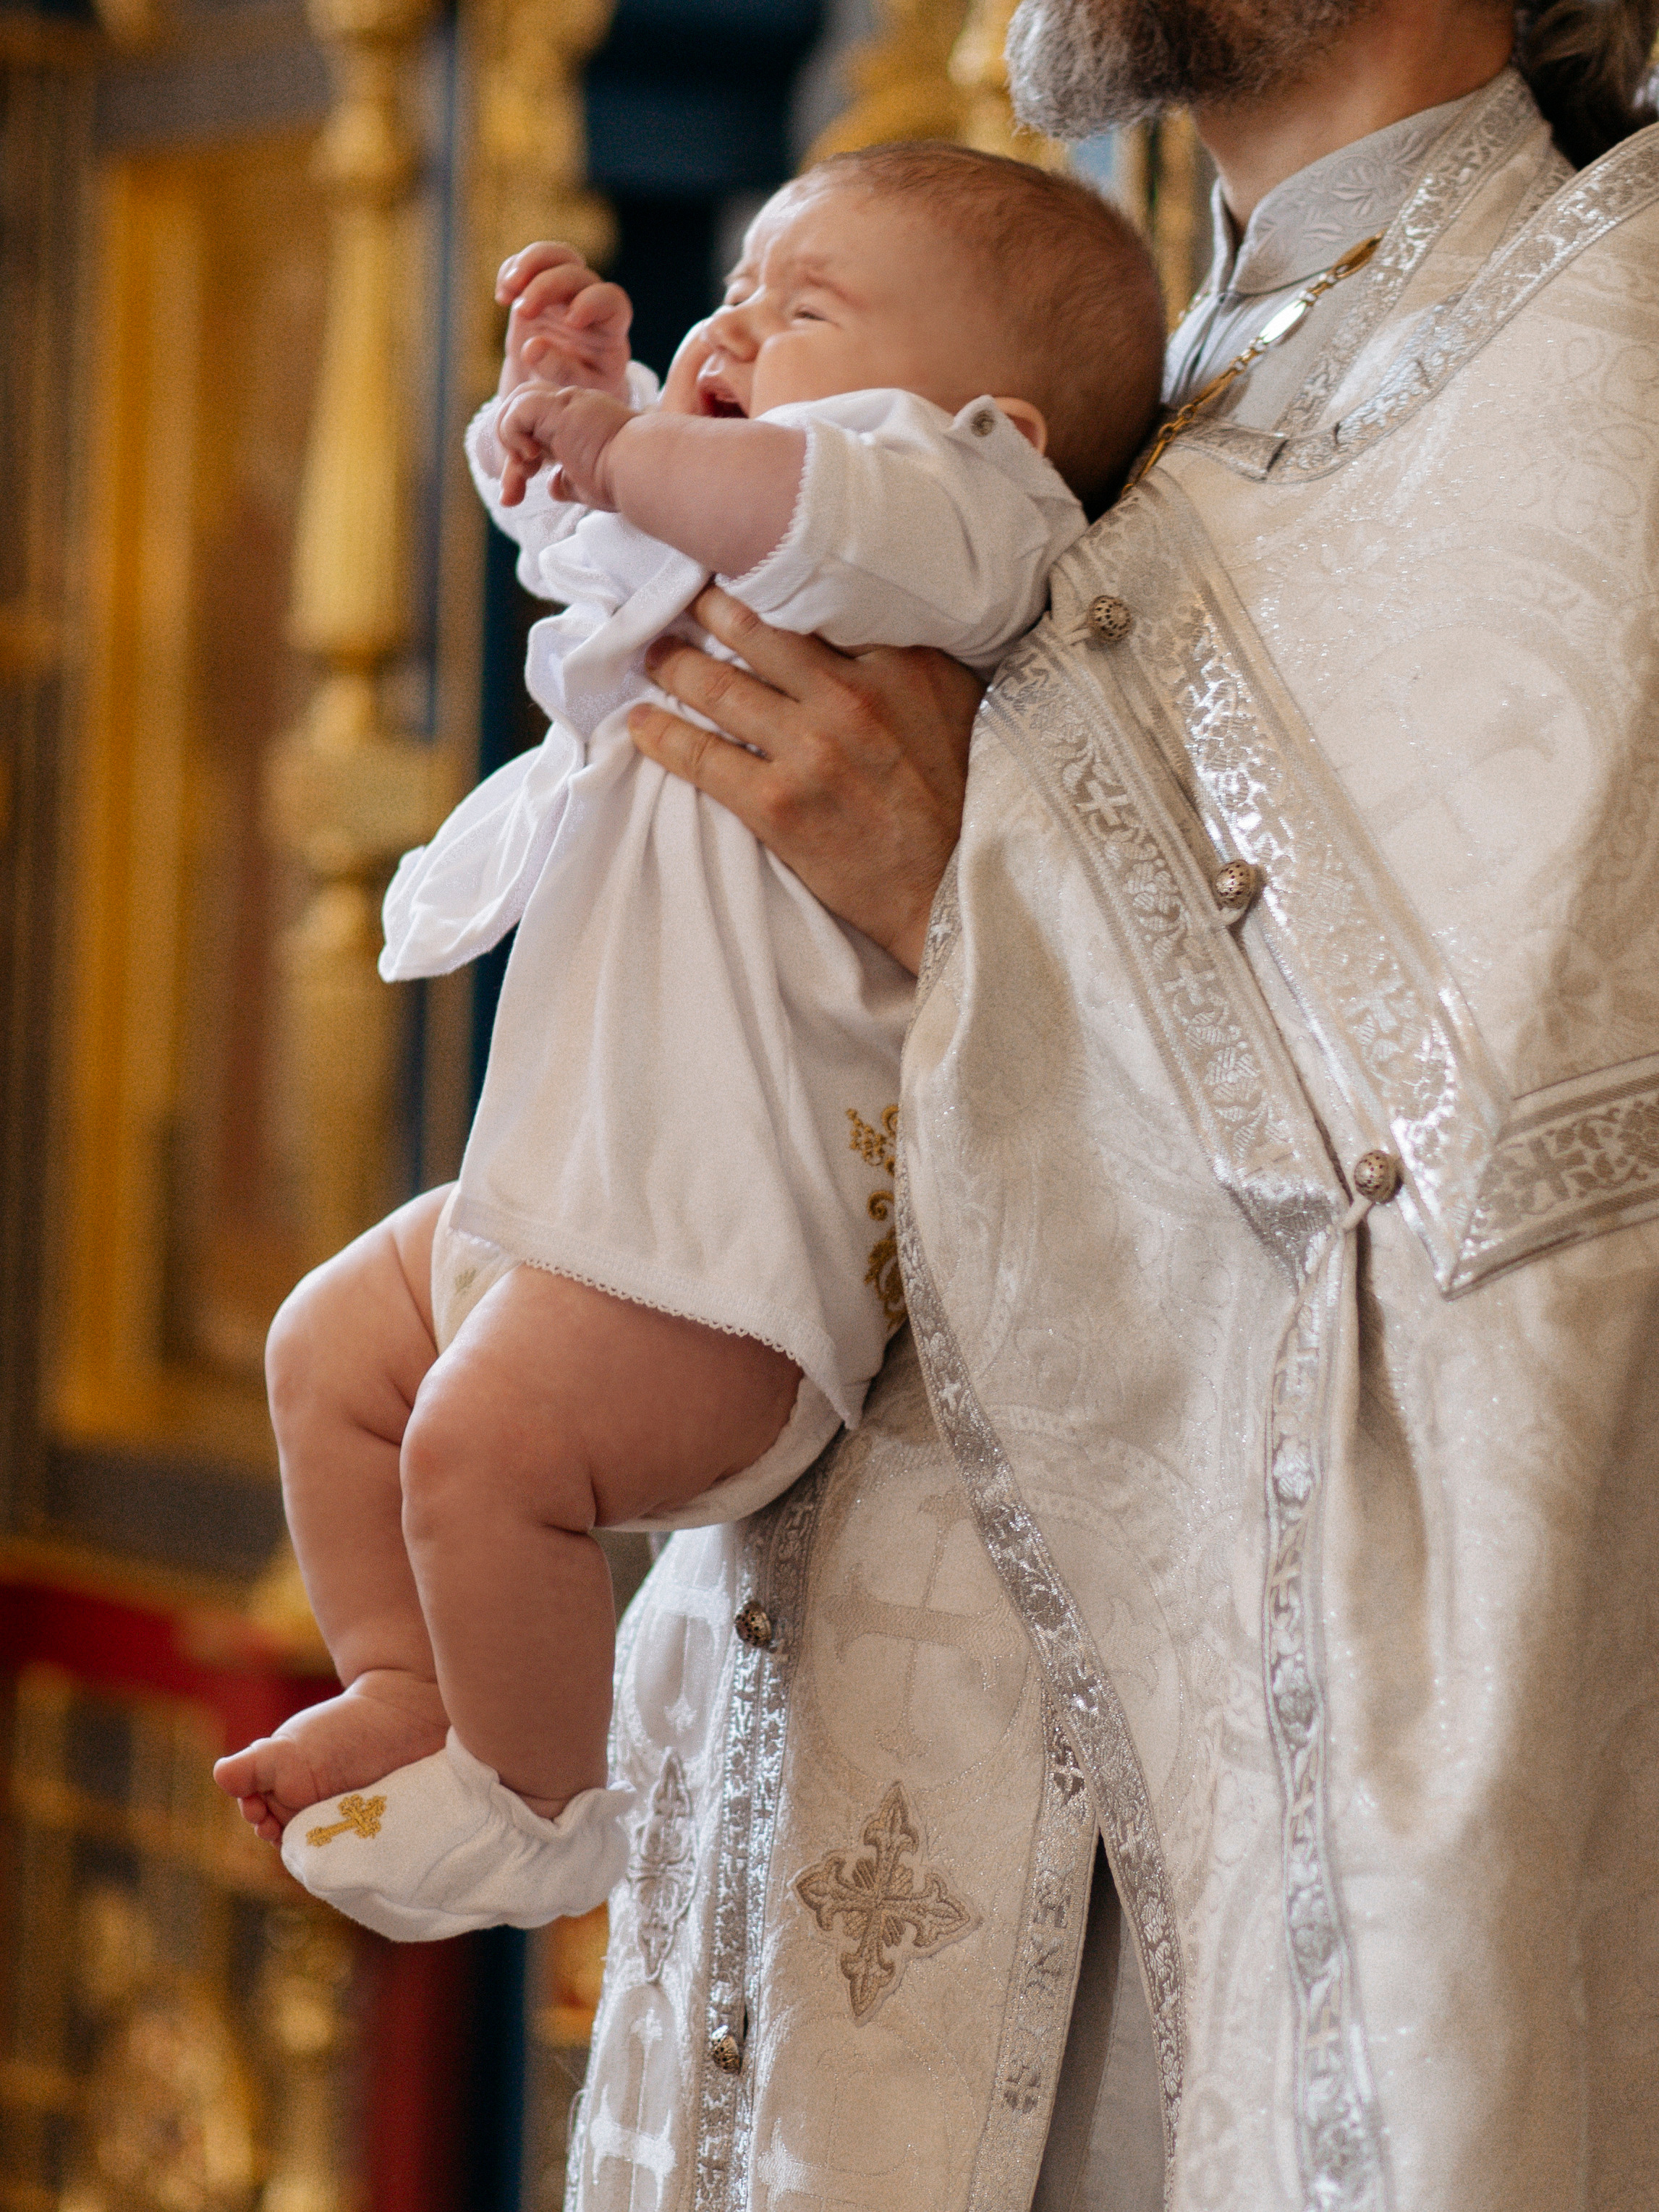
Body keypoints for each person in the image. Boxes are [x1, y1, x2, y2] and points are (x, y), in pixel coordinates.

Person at [567, 2, 1659, 2208]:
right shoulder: (1143, 368)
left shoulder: (1586, 379)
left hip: (1156, 2046)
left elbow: (1516, 1322)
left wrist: (957, 900)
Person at [210, 145, 1165, 1941]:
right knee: (328, 1345)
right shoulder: (751, 525)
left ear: (999, 423)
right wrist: (564, 420)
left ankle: (541, 1805)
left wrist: (639, 444)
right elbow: (610, 527)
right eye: (736, 287)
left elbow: (812, 502)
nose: (732, 323)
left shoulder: (962, 522)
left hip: (718, 1266)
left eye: (803, 309)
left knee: (473, 1451)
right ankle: (416, 1685)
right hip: (570, 1198)